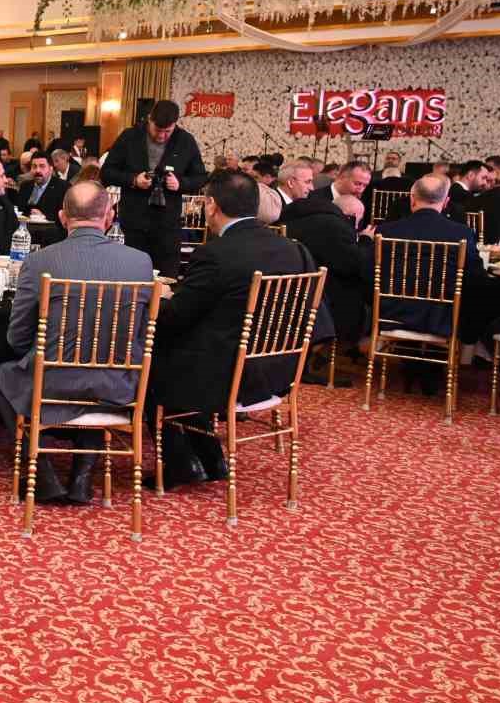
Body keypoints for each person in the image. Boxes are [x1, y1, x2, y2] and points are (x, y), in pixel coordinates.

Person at [0, 181, 154, 505]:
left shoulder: (39, 262)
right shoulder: (140, 262)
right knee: (96, 370)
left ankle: (41, 472)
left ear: (63, 217)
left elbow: (16, 337)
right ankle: (82, 476)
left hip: (53, 384)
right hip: (118, 387)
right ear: (109, 216)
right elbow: (141, 332)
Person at [151, 170, 317, 488]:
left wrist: (156, 296)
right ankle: (210, 458)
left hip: (228, 375)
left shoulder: (216, 254)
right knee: (188, 348)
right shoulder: (296, 250)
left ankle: (181, 464)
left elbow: (176, 316)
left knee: (153, 356)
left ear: (212, 205)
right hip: (280, 371)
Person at [100, 100, 208, 278]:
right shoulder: (129, 137)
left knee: (166, 280)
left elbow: (201, 177)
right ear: (149, 119)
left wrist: (180, 183)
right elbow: (107, 172)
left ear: (175, 124)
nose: (162, 136)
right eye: (158, 130)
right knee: (131, 277)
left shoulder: (185, 141)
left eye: (168, 131)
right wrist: (133, 180)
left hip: (168, 226)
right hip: (134, 223)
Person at [374, 175, 484, 342]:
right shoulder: (461, 233)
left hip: (391, 315)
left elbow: (370, 273)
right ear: (446, 202)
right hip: (441, 321)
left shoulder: (386, 231)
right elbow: (475, 277)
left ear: (412, 199)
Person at [282, 190, 372, 361]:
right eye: (358, 221)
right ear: (351, 216)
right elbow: (352, 265)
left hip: (287, 291)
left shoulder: (294, 215)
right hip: (321, 300)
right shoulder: (336, 226)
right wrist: (366, 240)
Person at [14, 150, 66, 224]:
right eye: (34, 166)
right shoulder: (25, 186)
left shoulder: (63, 188)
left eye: (42, 166)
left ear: (51, 169)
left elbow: (65, 218)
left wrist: (43, 217)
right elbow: (20, 211)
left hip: (50, 229)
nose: (37, 170)